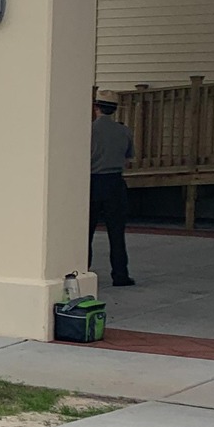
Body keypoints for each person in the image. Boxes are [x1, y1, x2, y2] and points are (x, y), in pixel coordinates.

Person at [90, 94, 134, 287]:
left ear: (96, 107)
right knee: (117, 233)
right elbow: (129, 156)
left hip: (92, 182)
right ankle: (120, 274)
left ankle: (83, 271)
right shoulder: (124, 131)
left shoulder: (89, 130)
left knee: (86, 231)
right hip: (115, 182)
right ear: (115, 109)